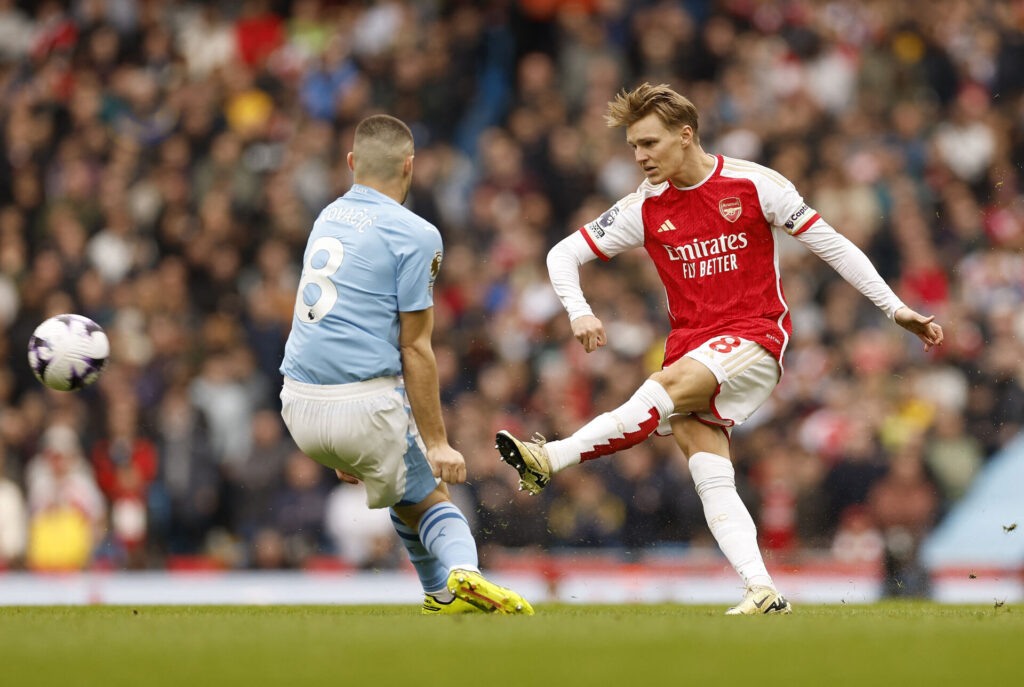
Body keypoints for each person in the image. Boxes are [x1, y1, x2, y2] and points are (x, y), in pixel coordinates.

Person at [496, 83, 943, 615]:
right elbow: (561, 254)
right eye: (634, 147)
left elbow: (833, 246)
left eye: (649, 143)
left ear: (685, 136)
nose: (640, 157)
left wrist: (895, 308)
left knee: (660, 389)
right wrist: (578, 310)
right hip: (691, 344)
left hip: (755, 335)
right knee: (709, 472)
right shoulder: (642, 208)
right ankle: (761, 587)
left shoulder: (754, 185)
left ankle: (550, 457)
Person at [279, 114, 532, 615]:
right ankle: (467, 573)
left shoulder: (326, 216)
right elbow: (415, 347)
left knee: (402, 490)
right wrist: (438, 441)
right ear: (410, 167)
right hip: (362, 403)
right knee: (434, 493)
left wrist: (342, 448)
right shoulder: (416, 233)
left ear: (352, 164)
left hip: (297, 405)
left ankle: (438, 595)